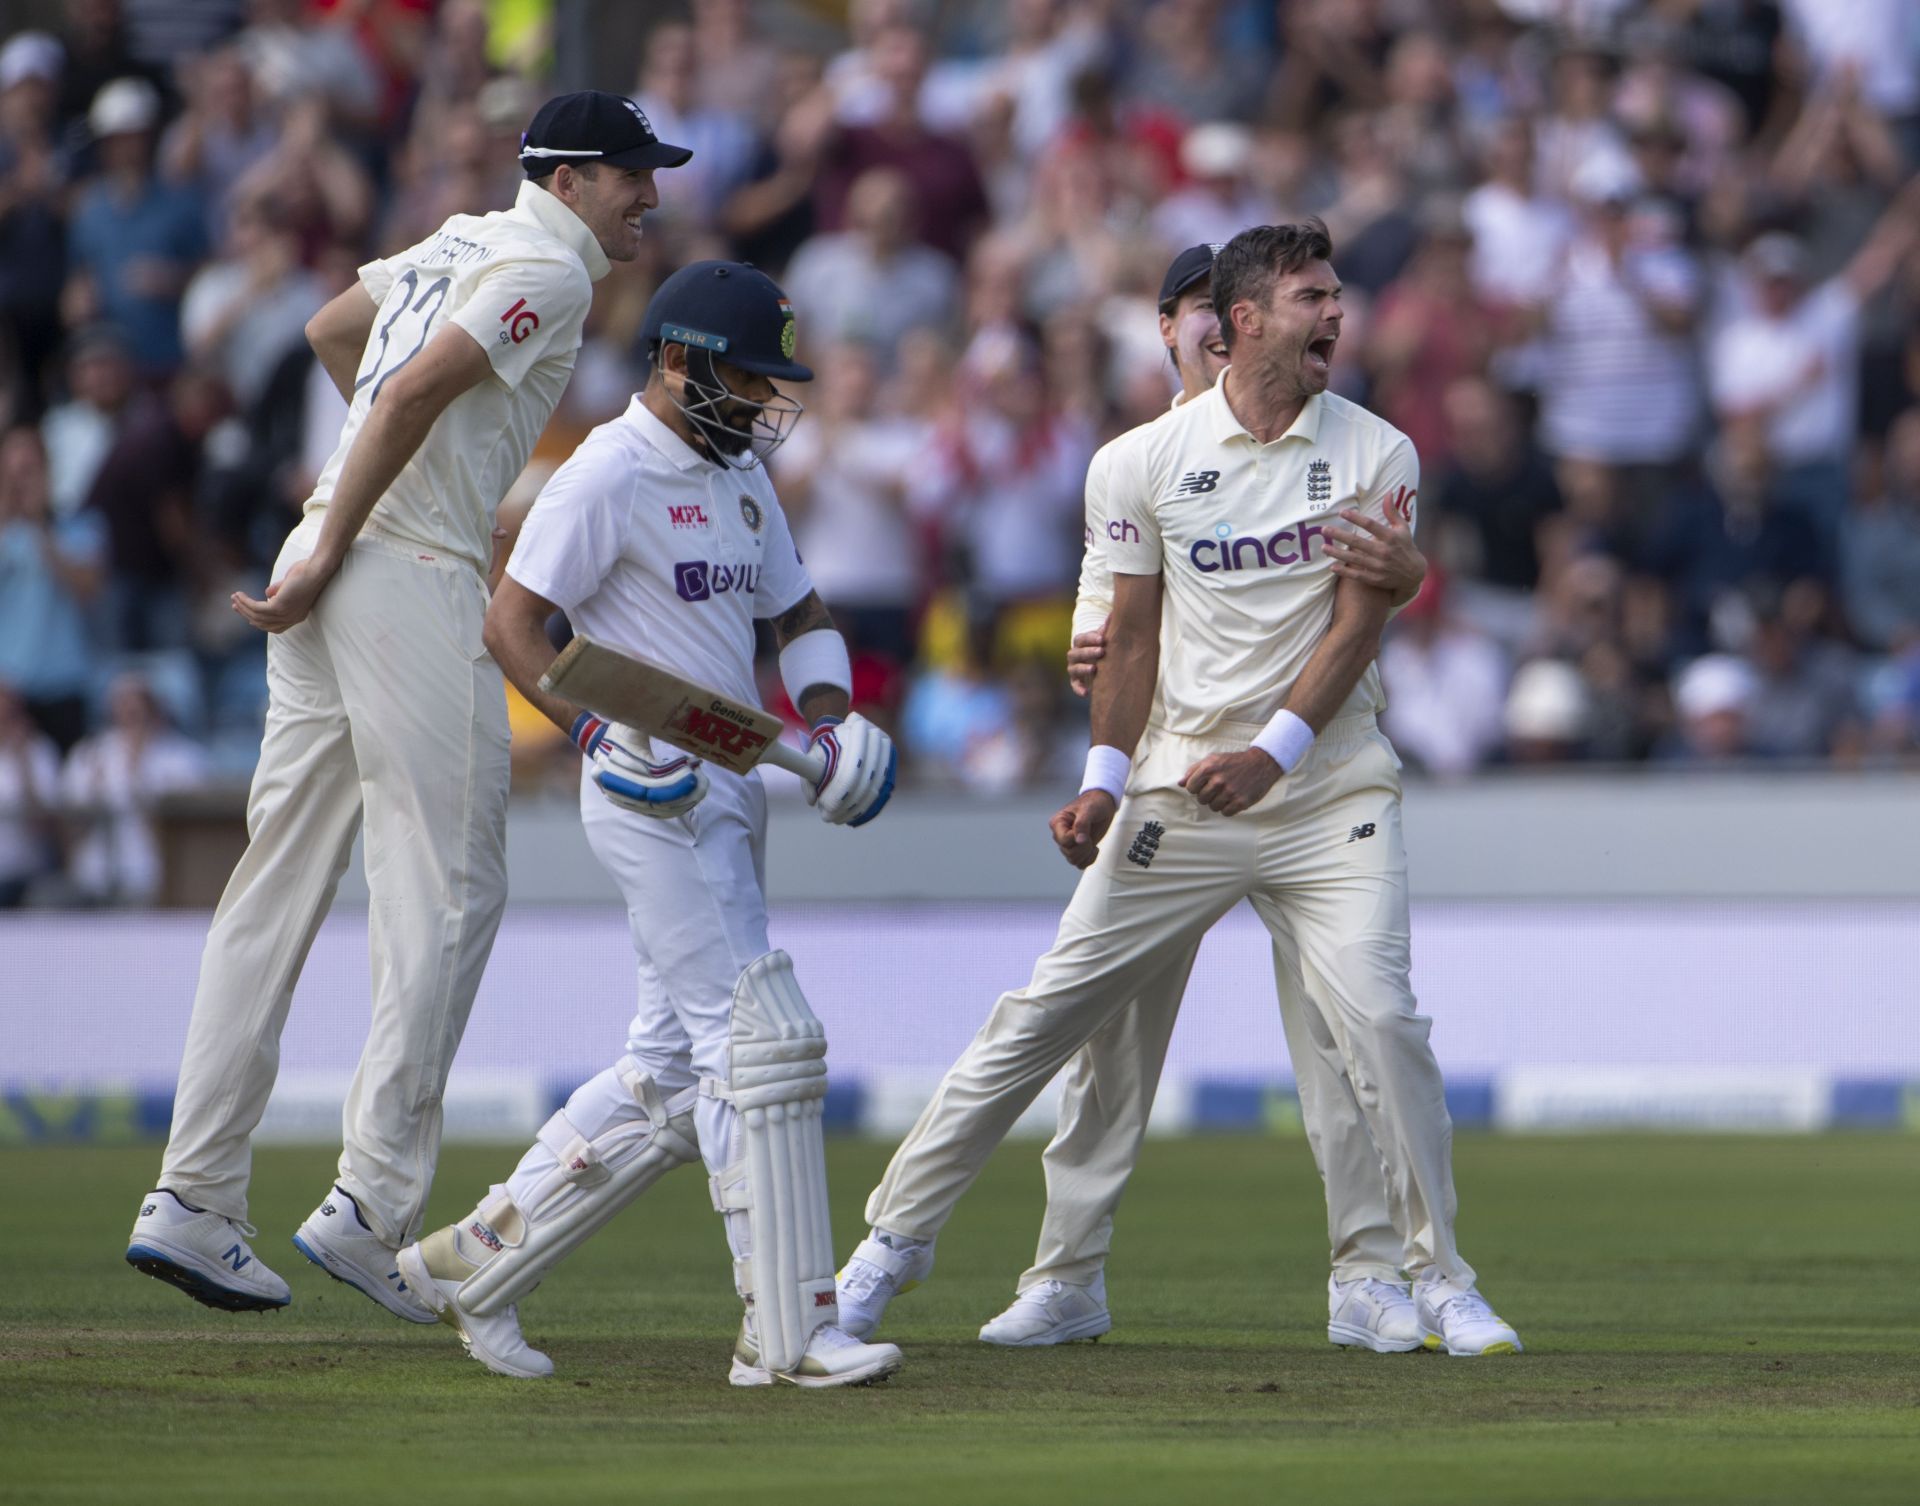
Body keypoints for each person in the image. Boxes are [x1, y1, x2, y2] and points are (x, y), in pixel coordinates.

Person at [837, 221, 1523, 1359]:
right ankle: (889, 1252)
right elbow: (1128, 638)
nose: (1337, 316)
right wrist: (1104, 780)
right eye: (1314, 297)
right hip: (1179, 793)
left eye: (1337, 296)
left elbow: (1360, 623)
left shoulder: (1375, 450)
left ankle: (1427, 1275)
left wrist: (1278, 751)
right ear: (1238, 323)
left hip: (1326, 792)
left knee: (1377, 1021)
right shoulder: (1138, 461)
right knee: (1047, 1020)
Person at [125, 92, 691, 1318]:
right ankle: (371, 1208)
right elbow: (409, 390)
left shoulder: (453, 238)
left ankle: (193, 1198)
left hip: (334, 551)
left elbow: (340, 333)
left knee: (273, 884)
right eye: (636, 175)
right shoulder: (548, 261)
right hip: (397, 569)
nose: (652, 196)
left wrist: (360, 510)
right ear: (576, 177)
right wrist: (369, 528)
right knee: (450, 888)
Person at [397, 261, 903, 1391]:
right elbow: (514, 624)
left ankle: (469, 1267)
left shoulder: (737, 474)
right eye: (744, 373)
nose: (764, 399)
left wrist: (831, 721)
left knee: (668, 1073)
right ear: (677, 360)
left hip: (730, 790)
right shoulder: (605, 475)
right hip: (640, 792)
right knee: (753, 1049)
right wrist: (590, 738)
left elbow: (799, 612)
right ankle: (787, 1332)